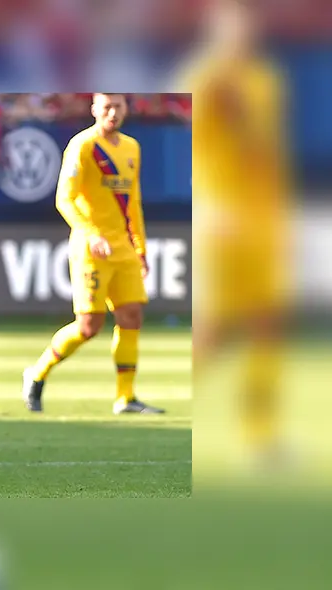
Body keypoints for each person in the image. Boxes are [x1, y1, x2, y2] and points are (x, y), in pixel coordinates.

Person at [179, 0, 290, 461]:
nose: (240, 31)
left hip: (262, 222)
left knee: (268, 325)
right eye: (230, 24)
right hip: (221, 221)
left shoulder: (264, 82)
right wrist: (206, 208)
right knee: (215, 330)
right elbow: (192, 151)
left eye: (246, 23)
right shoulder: (202, 79)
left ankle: (261, 438)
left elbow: (263, 148)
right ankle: (168, 399)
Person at [22, 93, 164, 415]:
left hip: (124, 247)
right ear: (94, 109)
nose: (113, 112)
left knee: (132, 317)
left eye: (119, 106)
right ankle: (37, 373)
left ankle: (125, 398)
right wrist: (91, 232)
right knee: (89, 326)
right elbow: (65, 198)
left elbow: (134, 203)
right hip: (91, 248)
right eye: (107, 106)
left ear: (127, 108)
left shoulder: (131, 147)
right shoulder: (83, 145)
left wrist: (140, 247)